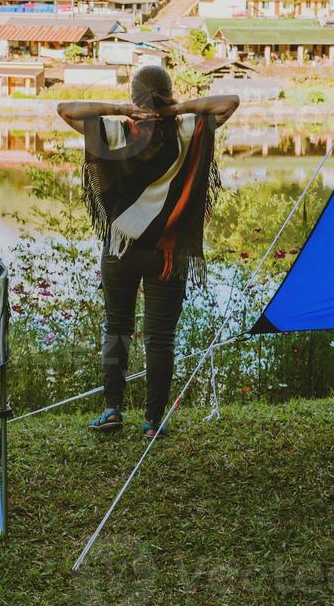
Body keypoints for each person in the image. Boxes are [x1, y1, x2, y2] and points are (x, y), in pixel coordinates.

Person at [58, 66, 239, 437]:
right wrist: (176, 111)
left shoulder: (117, 131)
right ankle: (153, 421)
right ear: (169, 92)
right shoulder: (188, 131)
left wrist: (118, 108)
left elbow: (66, 109)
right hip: (167, 252)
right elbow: (228, 103)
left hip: (120, 247)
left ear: (135, 94)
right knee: (160, 338)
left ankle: (112, 410)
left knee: (117, 329)